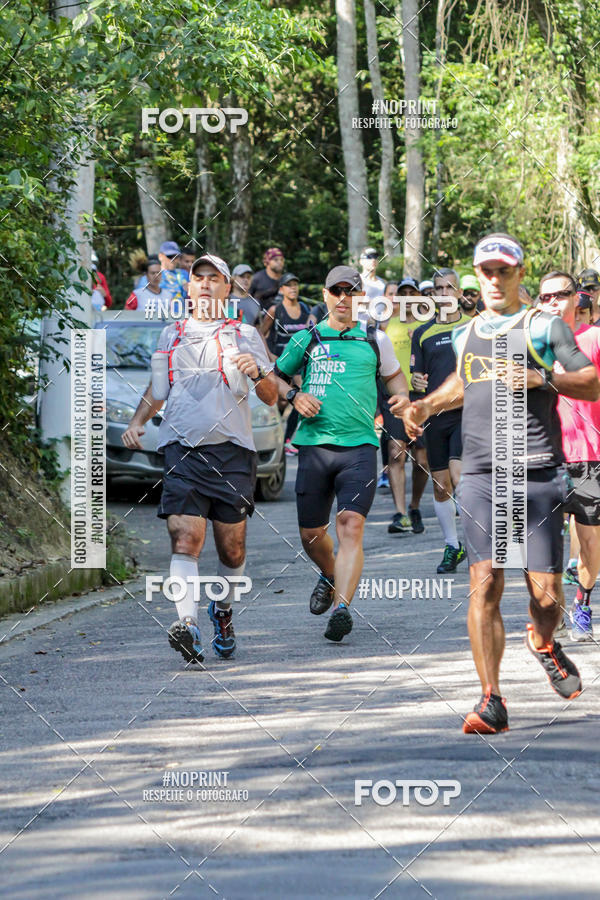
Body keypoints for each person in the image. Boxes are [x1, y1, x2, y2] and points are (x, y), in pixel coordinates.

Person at [403, 234, 600, 733]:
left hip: (535, 469)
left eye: (504, 271)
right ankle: (491, 699)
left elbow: (591, 381)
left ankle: (542, 640)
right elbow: (463, 383)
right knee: (485, 583)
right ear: (477, 274)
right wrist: (426, 405)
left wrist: (543, 379)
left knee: (546, 595)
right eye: (486, 271)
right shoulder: (466, 334)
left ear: (519, 274)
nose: (494, 279)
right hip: (484, 472)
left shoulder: (543, 325)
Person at [121, 254, 277, 664]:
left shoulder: (244, 333)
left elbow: (272, 395)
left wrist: (258, 373)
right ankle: (187, 625)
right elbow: (159, 389)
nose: (206, 284)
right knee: (185, 540)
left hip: (233, 452)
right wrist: (138, 422)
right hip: (181, 448)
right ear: (188, 288)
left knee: (233, 552)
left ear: (228, 289)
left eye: (215, 279)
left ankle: (222, 612)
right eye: (198, 278)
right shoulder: (171, 335)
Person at [273, 265, 409, 642]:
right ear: (326, 294)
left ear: (361, 297)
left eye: (351, 291)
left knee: (351, 524)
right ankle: (330, 575)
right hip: (315, 448)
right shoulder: (308, 339)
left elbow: (394, 376)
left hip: (361, 447)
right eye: (337, 291)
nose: (344, 298)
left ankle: (342, 609)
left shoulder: (374, 339)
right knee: (311, 534)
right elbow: (275, 377)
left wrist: (402, 397)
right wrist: (293, 395)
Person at [538, 271, 600, 641]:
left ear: (577, 298)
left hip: (589, 456)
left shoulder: (594, 339)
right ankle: (551, 607)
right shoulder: (531, 345)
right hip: (543, 455)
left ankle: (582, 604)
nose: (552, 303)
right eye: (545, 298)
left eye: (560, 295)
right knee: (541, 539)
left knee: (589, 541)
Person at [411, 267, 471, 572]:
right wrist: (417, 385)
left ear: (459, 293)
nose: (444, 293)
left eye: (449, 288)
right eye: (439, 289)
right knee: (440, 485)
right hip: (435, 417)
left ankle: (478, 543)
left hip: (467, 413)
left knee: (460, 478)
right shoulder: (422, 333)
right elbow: (416, 378)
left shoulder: (474, 327)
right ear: (433, 295)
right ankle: (453, 547)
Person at [383, 277, 429, 533]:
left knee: (422, 459)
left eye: (413, 292)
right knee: (396, 451)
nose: (408, 296)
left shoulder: (426, 325)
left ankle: (414, 505)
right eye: (403, 293)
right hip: (393, 394)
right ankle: (400, 513)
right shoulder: (386, 324)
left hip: (420, 394)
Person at [261, 273, 312, 454]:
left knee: (300, 393)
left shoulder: (306, 309)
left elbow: (311, 334)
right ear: (281, 289)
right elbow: (260, 333)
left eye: (295, 285)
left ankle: (288, 439)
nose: (293, 288)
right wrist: (269, 355)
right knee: (278, 402)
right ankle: (273, 436)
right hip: (280, 360)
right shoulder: (276, 310)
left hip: (298, 361)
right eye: (288, 285)